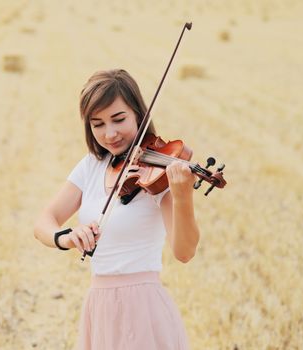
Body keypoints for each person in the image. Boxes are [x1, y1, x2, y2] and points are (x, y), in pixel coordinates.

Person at [34, 69, 199, 349]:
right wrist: (66, 237)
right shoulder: (90, 166)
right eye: (97, 124)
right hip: (99, 306)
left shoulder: (158, 173)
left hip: (144, 310)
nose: (109, 134)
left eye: (119, 119)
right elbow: (43, 222)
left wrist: (183, 196)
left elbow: (184, 252)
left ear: (139, 114)